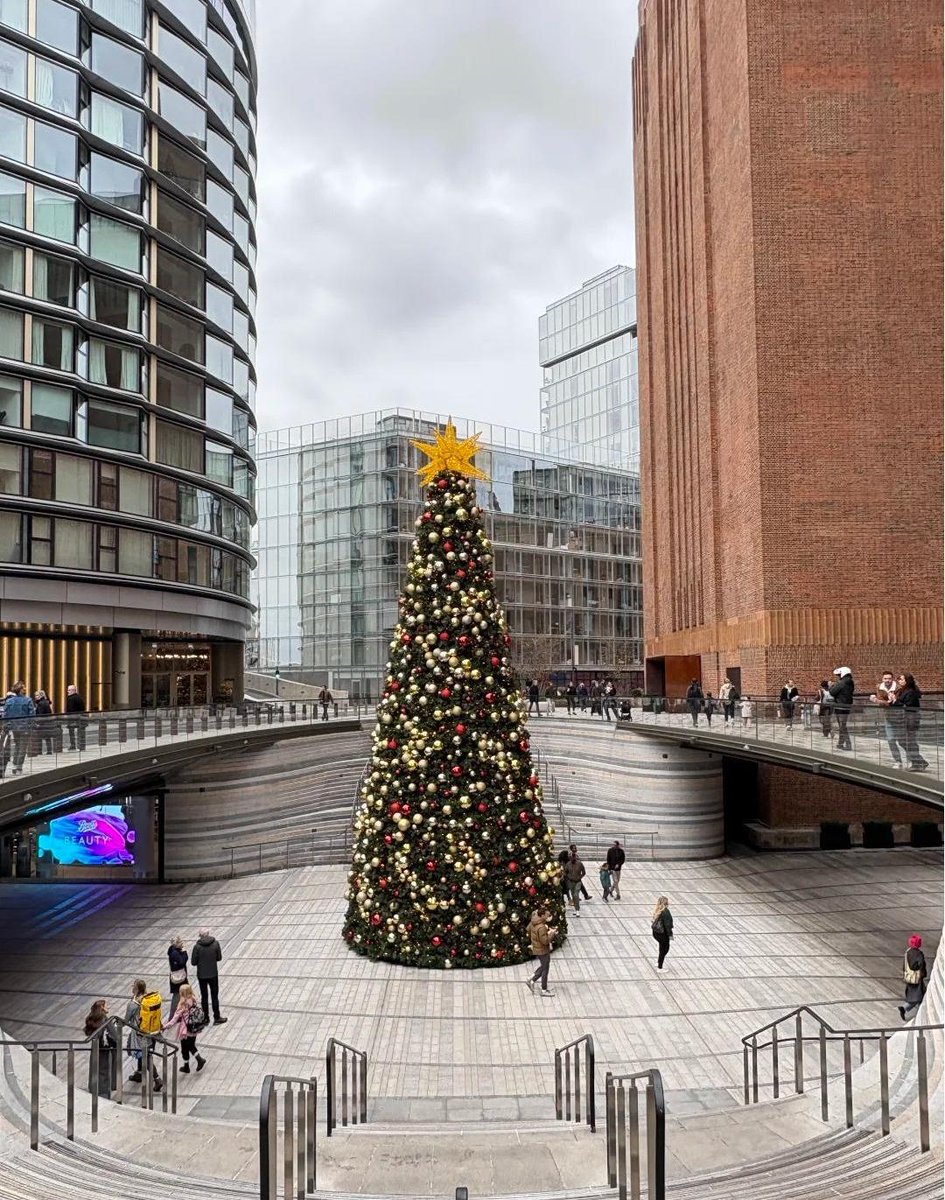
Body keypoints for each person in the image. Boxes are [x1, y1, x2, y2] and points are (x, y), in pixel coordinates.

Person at [124, 979, 163, 1091]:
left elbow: (127, 1020)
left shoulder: (132, 1004)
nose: (132, 987)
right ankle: (139, 1073)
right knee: (145, 1053)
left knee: (146, 1056)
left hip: (140, 1033)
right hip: (152, 1031)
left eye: (133, 986)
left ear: (136, 989)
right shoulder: (149, 999)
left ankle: (157, 1079)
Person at [162, 982, 207, 1073]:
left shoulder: (182, 1004)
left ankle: (198, 1060)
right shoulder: (194, 1000)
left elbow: (175, 1018)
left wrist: (165, 1026)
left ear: (182, 993)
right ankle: (188, 1065)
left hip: (185, 1030)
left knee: (186, 1048)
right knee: (191, 1045)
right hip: (194, 1028)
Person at [890, 674, 929, 772]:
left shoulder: (910, 692)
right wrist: (893, 700)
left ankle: (918, 763)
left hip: (910, 719)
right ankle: (920, 761)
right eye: (899, 679)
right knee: (904, 741)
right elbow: (899, 703)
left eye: (902, 679)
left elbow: (906, 705)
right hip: (905, 719)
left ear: (907, 680)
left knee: (908, 741)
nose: (899, 680)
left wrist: (895, 700)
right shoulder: (904, 690)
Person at [191, 929, 228, 1024]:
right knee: (214, 996)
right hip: (213, 974)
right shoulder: (215, 943)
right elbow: (219, 958)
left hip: (202, 975)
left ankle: (206, 1018)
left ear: (200, 936)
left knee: (204, 996)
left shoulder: (197, 947)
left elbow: (193, 962)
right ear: (208, 934)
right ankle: (217, 1017)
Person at [83, 999, 117, 1097]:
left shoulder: (95, 1020)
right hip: (104, 1052)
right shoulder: (105, 1021)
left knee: (96, 1071)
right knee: (104, 1073)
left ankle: (96, 1091)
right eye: (106, 1005)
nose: (108, 1007)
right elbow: (114, 1037)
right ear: (102, 1007)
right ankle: (103, 1095)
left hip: (96, 1051)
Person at [526, 906, 558, 997]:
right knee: (545, 969)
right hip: (542, 950)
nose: (549, 917)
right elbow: (545, 941)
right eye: (547, 915)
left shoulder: (534, 921)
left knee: (544, 966)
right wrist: (552, 933)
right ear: (542, 915)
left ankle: (531, 979)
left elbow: (528, 929)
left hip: (537, 948)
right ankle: (543, 990)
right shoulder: (541, 927)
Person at [870, 672, 900, 766]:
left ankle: (915, 760)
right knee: (891, 740)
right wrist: (882, 701)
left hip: (900, 717)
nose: (887, 680)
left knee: (903, 741)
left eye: (889, 678)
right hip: (888, 717)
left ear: (892, 679)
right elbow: (883, 702)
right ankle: (898, 761)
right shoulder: (880, 687)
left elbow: (892, 703)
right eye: (885, 678)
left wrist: (875, 700)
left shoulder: (898, 688)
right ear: (883, 679)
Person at [4, 682, 34, 774]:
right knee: (22, 748)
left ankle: (14, 765)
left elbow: (6, 715)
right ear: (21, 690)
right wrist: (31, 725)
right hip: (25, 727)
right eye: (24, 687)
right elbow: (32, 715)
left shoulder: (9, 701)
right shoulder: (28, 700)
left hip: (14, 728)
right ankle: (18, 767)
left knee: (17, 746)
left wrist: (9, 726)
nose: (25, 689)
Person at [899, 935, 928, 1020]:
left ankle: (905, 1009)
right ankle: (906, 1009)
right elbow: (920, 965)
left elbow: (905, 965)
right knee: (920, 996)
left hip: (909, 978)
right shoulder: (919, 954)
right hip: (917, 978)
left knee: (915, 996)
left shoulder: (908, 952)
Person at [828, 667, 854, 750]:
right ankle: (840, 743)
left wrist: (831, 686)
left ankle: (848, 744)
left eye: (839, 675)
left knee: (842, 726)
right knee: (842, 725)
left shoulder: (842, 682)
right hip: (847, 705)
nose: (838, 676)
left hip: (840, 706)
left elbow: (832, 692)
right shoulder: (850, 682)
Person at [167, 936, 189, 1019]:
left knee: (182, 994)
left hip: (179, 977)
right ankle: (172, 1016)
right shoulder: (175, 953)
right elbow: (182, 962)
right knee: (177, 996)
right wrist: (185, 952)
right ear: (176, 944)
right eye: (181, 942)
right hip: (179, 979)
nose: (182, 944)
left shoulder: (174, 951)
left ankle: (182, 1012)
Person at [651, 896, 674, 969]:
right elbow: (668, 925)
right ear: (666, 903)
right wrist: (670, 935)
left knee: (662, 947)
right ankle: (659, 967)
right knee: (665, 948)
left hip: (656, 933)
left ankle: (659, 961)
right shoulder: (666, 912)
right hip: (662, 934)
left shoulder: (657, 910)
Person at [564, 847, 586, 917]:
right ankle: (576, 909)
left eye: (574, 858)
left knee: (576, 894)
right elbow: (565, 872)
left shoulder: (580, 864)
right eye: (572, 858)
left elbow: (584, 872)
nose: (573, 859)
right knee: (573, 895)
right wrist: (568, 876)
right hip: (571, 882)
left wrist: (580, 877)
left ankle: (577, 910)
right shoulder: (568, 864)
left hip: (578, 882)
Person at [65, 684, 87, 751]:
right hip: (81, 717)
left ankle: (73, 745)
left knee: (71, 731)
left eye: (69, 690)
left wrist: (68, 716)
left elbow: (71, 709)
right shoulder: (79, 697)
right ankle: (82, 746)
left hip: (73, 718)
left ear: (73, 690)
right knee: (81, 732)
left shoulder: (71, 698)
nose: (67, 691)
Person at [33, 690, 55, 754]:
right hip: (48, 722)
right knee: (47, 737)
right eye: (35, 695)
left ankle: (39, 751)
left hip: (42, 723)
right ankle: (49, 751)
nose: (35, 697)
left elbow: (40, 715)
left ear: (41, 695)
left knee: (39, 737)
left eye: (37, 695)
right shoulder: (46, 702)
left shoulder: (40, 703)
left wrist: (38, 723)